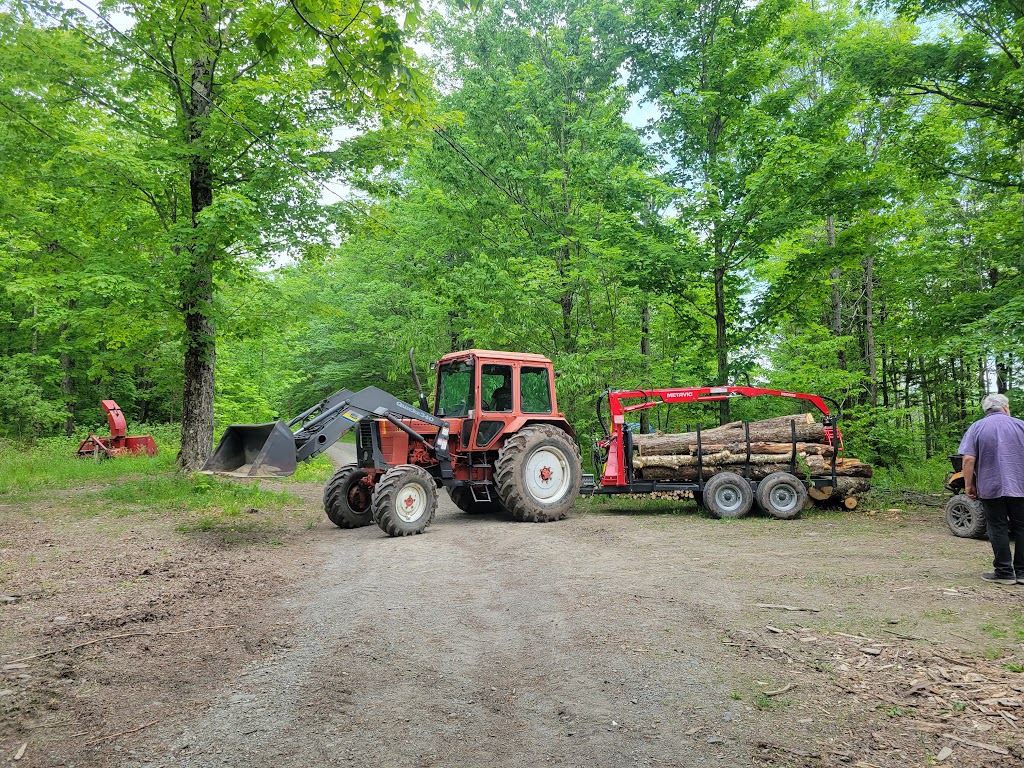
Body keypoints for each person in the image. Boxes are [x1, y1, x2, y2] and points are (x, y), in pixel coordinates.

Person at [958, 393, 1024, 585]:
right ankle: (1021, 572)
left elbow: (968, 459)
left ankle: (1004, 573)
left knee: (997, 527)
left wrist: (969, 485)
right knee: (1022, 527)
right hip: (1020, 486)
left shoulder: (977, 427)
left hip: (990, 486)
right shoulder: (1020, 425)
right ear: (1005, 407)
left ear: (986, 410)